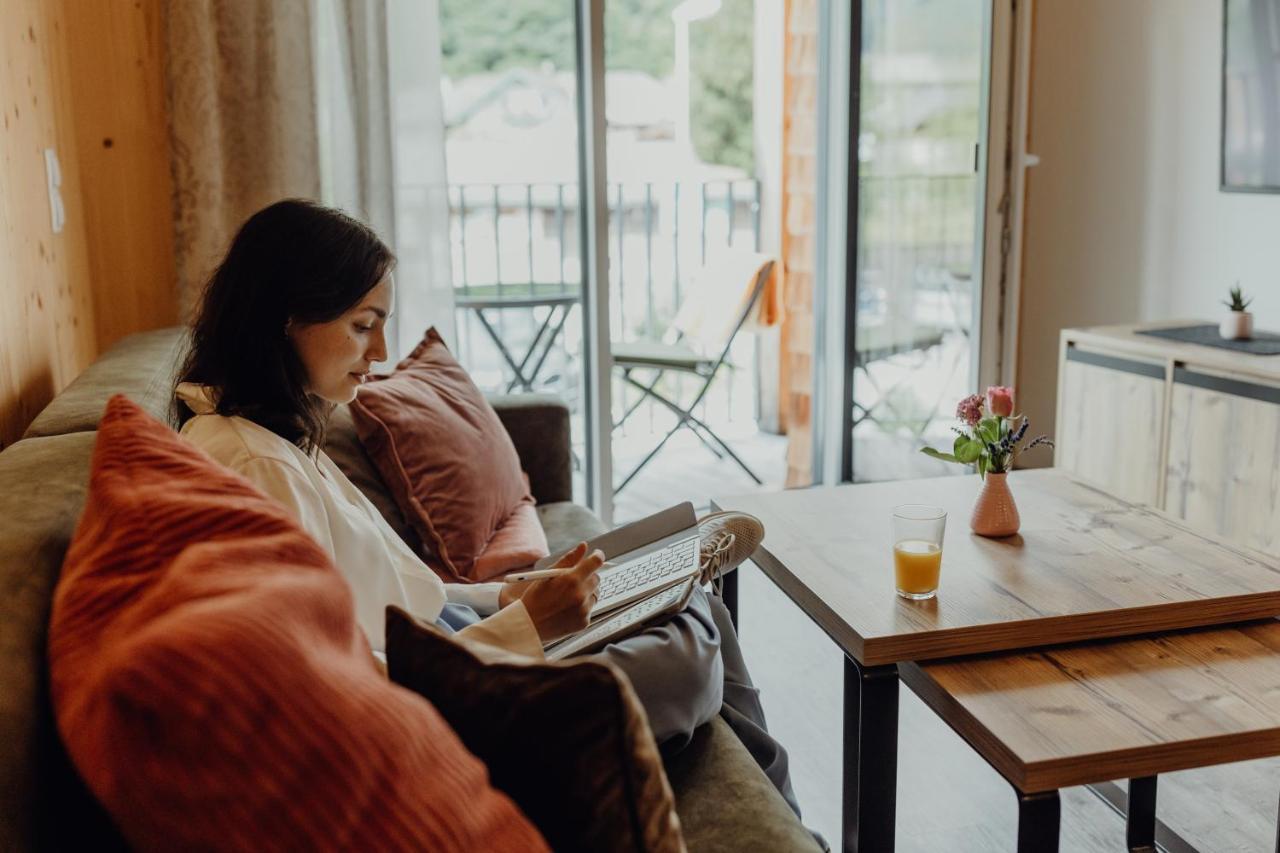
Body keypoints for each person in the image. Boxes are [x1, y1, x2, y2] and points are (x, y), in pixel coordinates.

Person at [174, 199, 800, 817]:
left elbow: (402, 591)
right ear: (285, 317)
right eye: (364, 325)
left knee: (690, 599)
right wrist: (524, 628)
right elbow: (335, 678)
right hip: (455, 693)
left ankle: (786, 813)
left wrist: (502, 599)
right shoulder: (254, 467)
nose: (382, 352)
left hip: (461, 637)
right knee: (690, 653)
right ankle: (680, 587)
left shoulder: (273, 435)